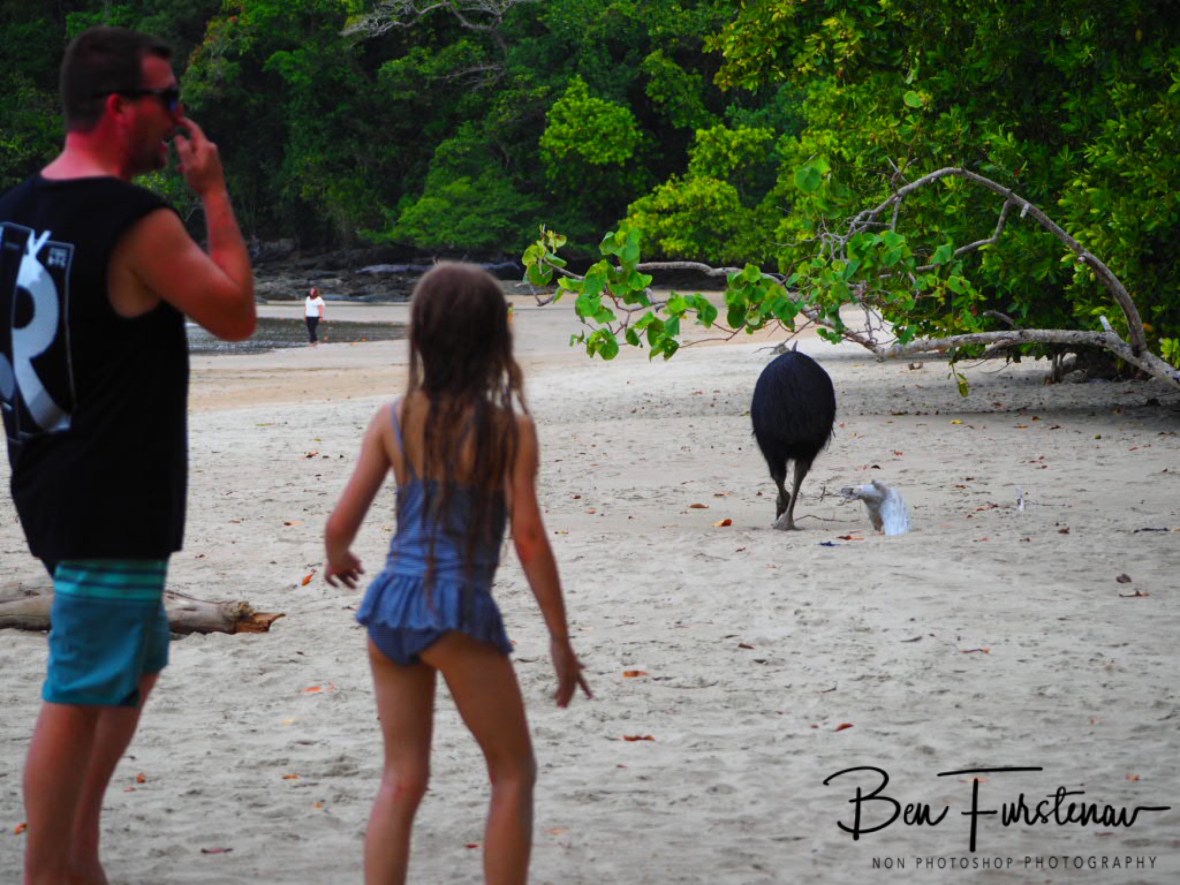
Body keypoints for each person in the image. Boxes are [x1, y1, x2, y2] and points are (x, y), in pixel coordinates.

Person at [0, 26, 255, 884]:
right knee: (78, 694)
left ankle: (78, 856)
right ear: (120, 108)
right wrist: (213, 194)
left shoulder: (18, 206)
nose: (179, 118)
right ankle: (51, 867)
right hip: (109, 494)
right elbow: (235, 315)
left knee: (133, 662)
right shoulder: (133, 220)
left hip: (48, 479)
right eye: (168, 100)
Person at [324, 263, 590, 885]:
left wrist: (338, 558)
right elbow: (527, 538)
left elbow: (340, 525)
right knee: (512, 773)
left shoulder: (392, 418)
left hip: (389, 609)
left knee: (401, 778)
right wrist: (559, 636)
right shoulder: (510, 430)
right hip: (455, 611)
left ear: (422, 337)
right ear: (494, 341)